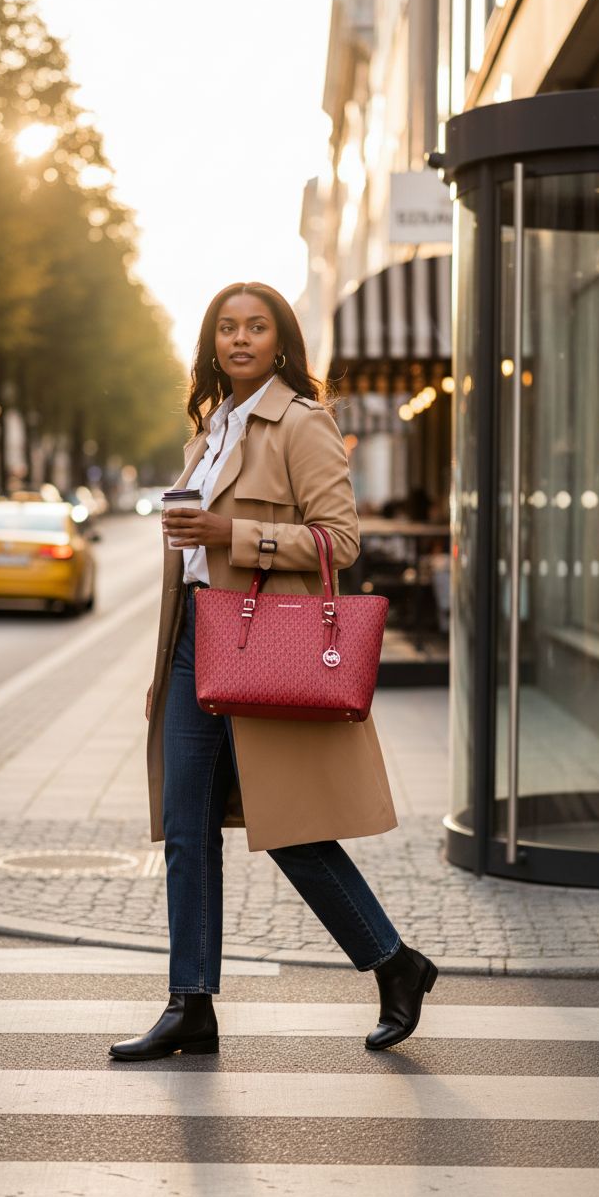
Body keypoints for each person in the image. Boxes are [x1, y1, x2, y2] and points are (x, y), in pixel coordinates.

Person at [109, 282, 438, 1062]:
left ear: (281, 340)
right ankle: (189, 1003)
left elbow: (340, 541)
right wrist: (163, 664)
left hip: (264, 646)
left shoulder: (301, 423)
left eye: (256, 326)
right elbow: (187, 563)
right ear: (211, 343)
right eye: (227, 327)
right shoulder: (208, 431)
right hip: (196, 641)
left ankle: (395, 963)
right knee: (186, 830)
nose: (240, 338)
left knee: (290, 830)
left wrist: (234, 532)